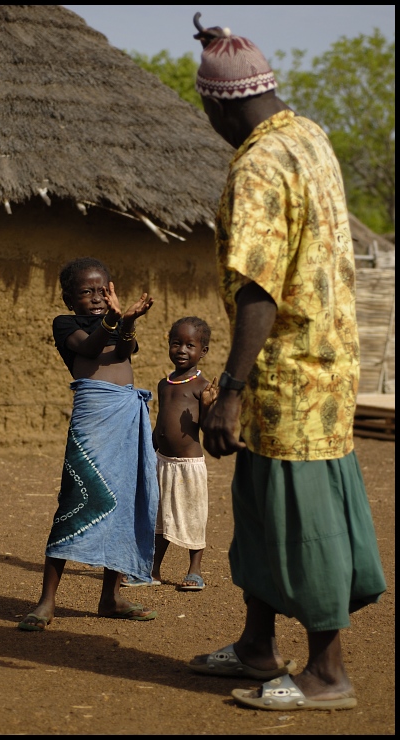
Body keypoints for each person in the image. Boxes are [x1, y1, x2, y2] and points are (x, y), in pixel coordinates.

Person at [188, 13, 386, 711]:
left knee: (303, 524)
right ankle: (254, 644)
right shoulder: (310, 137)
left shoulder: (258, 165)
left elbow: (257, 289)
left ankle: (327, 673)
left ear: (217, 104)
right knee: (263, 513)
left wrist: (230, 390)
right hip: (322, 371)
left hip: (285, 379)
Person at [18, 256, 159, 629]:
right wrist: (115, 319)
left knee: (124, 501)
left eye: (102, 290)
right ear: (69, 298)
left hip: (127, 413)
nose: (96, 297)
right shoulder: (66, 324)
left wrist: (127, 321)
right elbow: (92, 349)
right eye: (86, 291)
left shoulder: (114, 324)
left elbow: (124, 352)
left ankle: (110, 597)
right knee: (77, 498)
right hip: (94, 417)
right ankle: (47, 601)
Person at [122, 316, 217, 591]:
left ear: (203, 351)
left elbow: (209, 428)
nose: (182, 350)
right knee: (159, 517)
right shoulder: (165, 384)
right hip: (162, 461)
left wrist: (209, 406)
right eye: (177, 343)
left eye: (190, 345)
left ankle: (195, 570)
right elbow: (161, 423)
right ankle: (152, 570)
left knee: (193, 514)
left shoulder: (203, 387)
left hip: (189, 465)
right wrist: (148, 452)